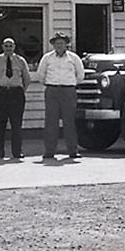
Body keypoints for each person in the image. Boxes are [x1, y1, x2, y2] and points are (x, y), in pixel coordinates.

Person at [35, 32, 85, 160]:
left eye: (61, 43)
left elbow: (80, 75)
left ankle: (73, 151)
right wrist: (50, 85)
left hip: (68, 91)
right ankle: (49, 151)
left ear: (66, 44)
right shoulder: (47, 58)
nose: (59, 45)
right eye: (57, 43)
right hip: (52, 90)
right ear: (53, 45)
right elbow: (41, 75)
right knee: (51, 122)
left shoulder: (74, 58)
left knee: (69, 121)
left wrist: (70, 84)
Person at [0, 37, 31, 159]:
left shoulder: (20, 61)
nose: (8, 48)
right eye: (6, 46)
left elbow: (27, 78)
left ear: (14, 47)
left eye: (10, 46)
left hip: (16, 94)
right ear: (2, 47)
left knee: (16, 124)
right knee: (0, 124)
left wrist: (20, 90)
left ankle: (17, 152)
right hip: (0, 93)